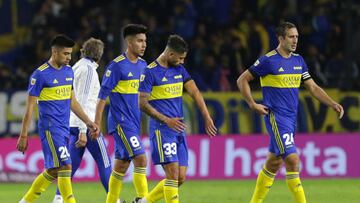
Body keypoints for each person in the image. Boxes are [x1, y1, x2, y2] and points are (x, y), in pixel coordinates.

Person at [237, 22, 344, 203]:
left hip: (291, 118)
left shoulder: (298, 60)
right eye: (291, 37)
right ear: (281, 38)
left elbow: (312, 87)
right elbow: (242, 80)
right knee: (293, 160)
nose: (295, 40)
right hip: (276, 118)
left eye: (297, 37)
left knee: (274, 163)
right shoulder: (268, 60)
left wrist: (332, 103)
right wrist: (252, 104)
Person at [17, 34, 100, 203]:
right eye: (65, 54)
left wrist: (88, 122)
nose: (70, 58)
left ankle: (25, 201)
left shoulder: (69, 72)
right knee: (66, 166)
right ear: (54, 52)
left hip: (64, 129)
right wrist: (24, 135)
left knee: (54, 170)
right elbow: (30, 108)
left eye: (70, 54)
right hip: (50, 128)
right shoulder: (40, 75)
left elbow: (73, 102)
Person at [138, 34, 217, 203]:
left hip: (178, 129)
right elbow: (142, 103)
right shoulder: (150, 72)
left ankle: (143, 202)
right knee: (172, 174)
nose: (182, 62)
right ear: (170, 54)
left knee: (180, 177)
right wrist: (166, 120)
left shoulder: (179, 69)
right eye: (180, 58)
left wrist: (207, 116)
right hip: (162, 129)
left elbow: (195, 91)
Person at [52, 38, 121, 203]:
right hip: (86, 127)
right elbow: (82, 100)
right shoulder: (89, 70)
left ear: (83, 51)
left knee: (71, 165)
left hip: (73, 124)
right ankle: (115, 200)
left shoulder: (76, 67)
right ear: (99, 54)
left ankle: (58, 198)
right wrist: (84, 130)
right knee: (104, 163)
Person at [94, 24, 149, 203]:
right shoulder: (117, 66)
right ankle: (143, 199)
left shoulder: (143, 65)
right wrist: (95, 123)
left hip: (134, 122)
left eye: (145, 41)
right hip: (120, 122)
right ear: (129, 42)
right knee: (140, 158)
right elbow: (102, 96)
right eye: (140, 41)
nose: (144, 44)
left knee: (121, 166)